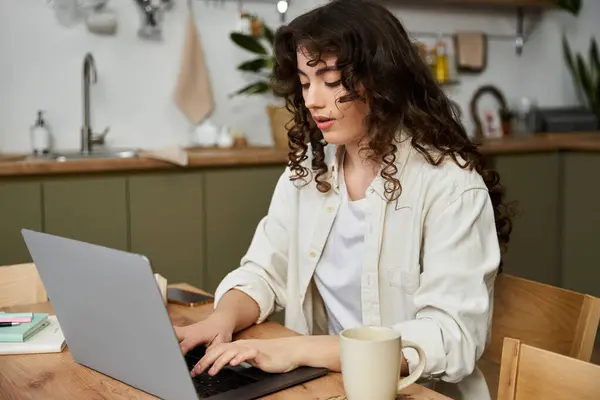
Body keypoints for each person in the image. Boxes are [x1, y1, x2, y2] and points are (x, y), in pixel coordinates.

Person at [174, 0, 513, 398]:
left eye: (331, 81)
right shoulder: (309, 169)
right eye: (304, 82)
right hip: (329, 385)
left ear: (382, 80)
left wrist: (299, 349)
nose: (313, 100)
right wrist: (222, 318)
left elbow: (450, 337)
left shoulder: (451, 186)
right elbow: (266, 270)